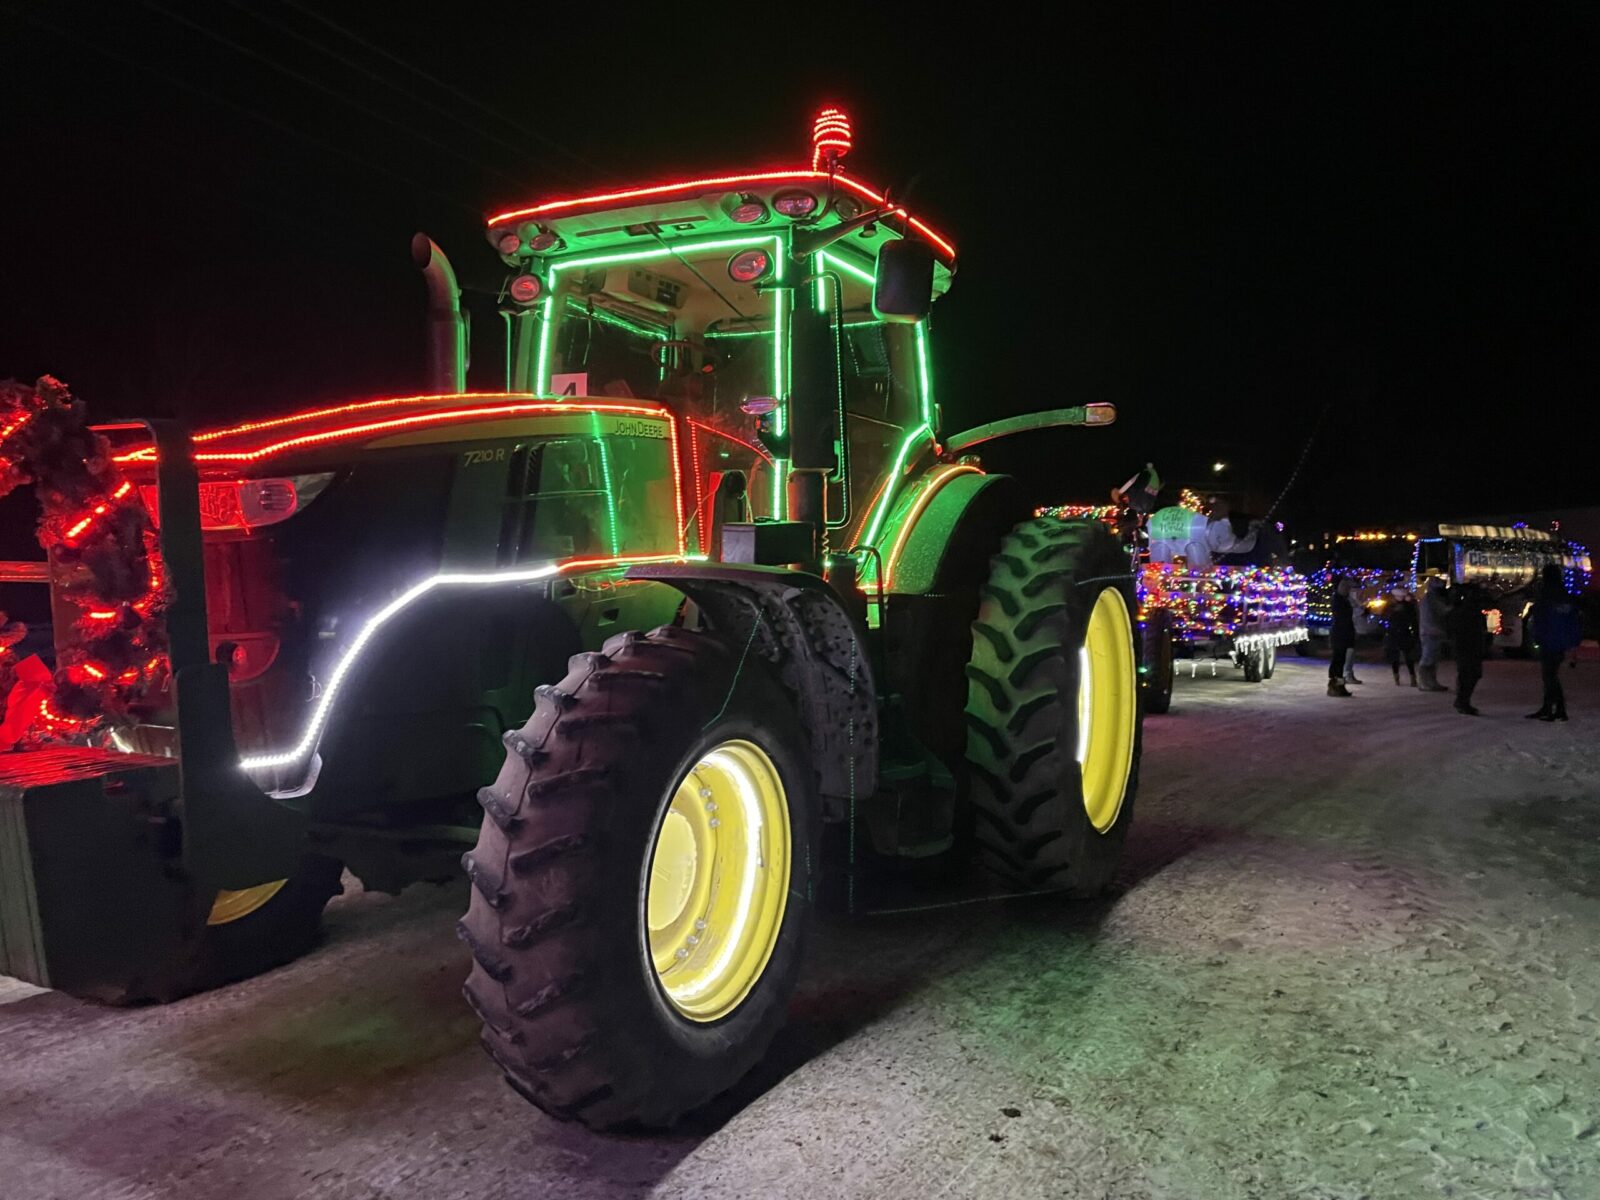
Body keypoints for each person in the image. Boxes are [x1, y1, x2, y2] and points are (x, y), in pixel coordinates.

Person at [1527, 563, 1582, 722]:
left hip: (1548, 639)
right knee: (1551, 676)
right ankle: (1553, 708)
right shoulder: (1564, 595)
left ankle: (1554, 709)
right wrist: (1572, 643)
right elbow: (1573, 620)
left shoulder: (1546, 594)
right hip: (1560, 640)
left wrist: (1536, 635)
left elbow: (1540, 618)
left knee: (1549, 677)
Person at [1447, 583, 1487, 715]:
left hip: (1466, 646)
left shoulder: (1461, 610)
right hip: (1467, 646)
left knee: (1468, 674)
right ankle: (1462, 701)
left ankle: (1462, 700)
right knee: (1469, 674)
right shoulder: (1468, 611)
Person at [1417, 575, 1452, 692]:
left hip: (1433, 631)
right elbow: (1445, 610)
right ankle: (1424, 683)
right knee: (1428, 659)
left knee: (1433, 660)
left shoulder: (1432, 597)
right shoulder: (1431, 598)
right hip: (1430, 632)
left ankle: (1431, 682)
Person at [1382, 587, 1420, 686]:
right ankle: (1408, 677)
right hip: (1399, 633)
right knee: (1401, 656)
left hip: (1398, 633)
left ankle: (1403, 677)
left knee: (1403, 656)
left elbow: (1384, 618)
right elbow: (1414, 620)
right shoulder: (1398, 607)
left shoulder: (1394, 607)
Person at [1328, 575, 1356, 697]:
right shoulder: (1339, 600)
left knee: (1340, 660)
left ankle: (1339, 685)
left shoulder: (1342, 599)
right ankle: (1336, 685)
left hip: (1342, 635)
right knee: (1338, 661)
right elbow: (1343, 618)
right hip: (1340, 635)